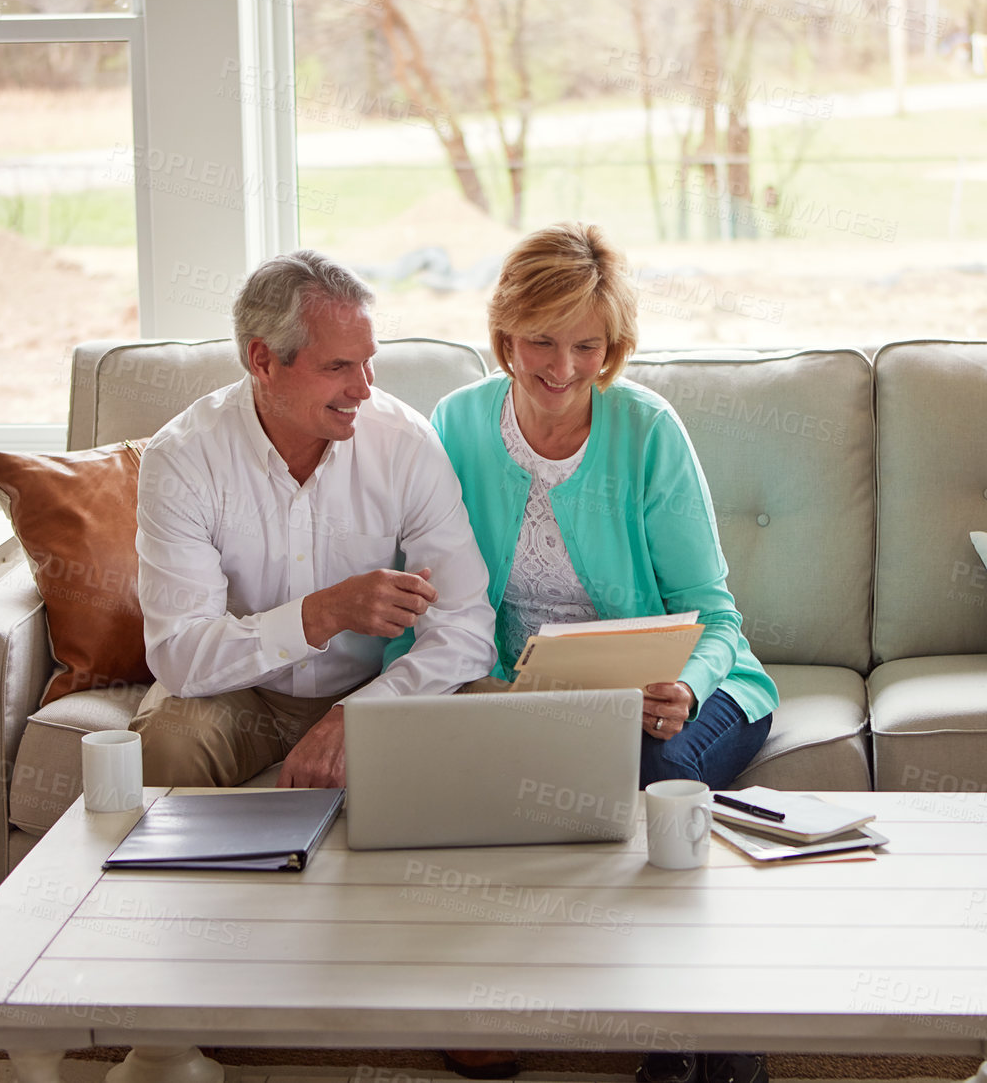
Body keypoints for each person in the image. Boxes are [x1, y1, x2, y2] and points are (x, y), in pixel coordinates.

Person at [417, 222, 777, 1083]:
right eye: (540, 340)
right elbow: (427, 592)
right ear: (505, 334)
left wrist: (685, 688)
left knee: (656, 776)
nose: (562, 367)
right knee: (451, 773)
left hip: (689, 693)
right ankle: (486, 1001)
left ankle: (706, 1043)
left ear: (612, 347)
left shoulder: (647, 431)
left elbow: (715, 615)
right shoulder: (455, 425)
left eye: (587, 344)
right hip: (526, 695)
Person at [129, 250, 496, 789]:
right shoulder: (184, 458)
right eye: (337, 368)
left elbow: (464, 627)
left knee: (498, 720)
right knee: (169, 742)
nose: (364, 389)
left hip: (375, 685)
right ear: (263, 360)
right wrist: (324, 613)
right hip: (238, 693)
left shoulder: (405, 443)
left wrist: (361, 713)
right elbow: (180, 655)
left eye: (368, 361)